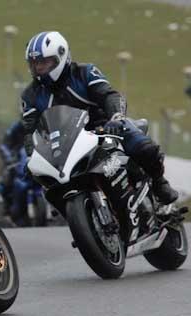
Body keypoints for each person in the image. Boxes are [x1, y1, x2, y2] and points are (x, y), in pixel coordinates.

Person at [20, 31, 178, 204]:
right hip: (66, 146)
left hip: (105, 128)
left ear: (61, 56)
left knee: (144, 148)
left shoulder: (85, 72)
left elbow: (110, 95)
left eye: (44, 62)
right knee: (47, 186)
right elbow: (29, 130)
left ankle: (159, 182)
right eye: (34, 64)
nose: (39, 68)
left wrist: (116, 117)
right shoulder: (30, 95)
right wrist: (31, 156)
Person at [0, 120, 27, 213]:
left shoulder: (37, 126)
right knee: (8, 175)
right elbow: (3, 145)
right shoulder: (14, 128)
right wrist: (9, 157)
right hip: (15, 158)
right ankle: (6, 203)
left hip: (31, 157)